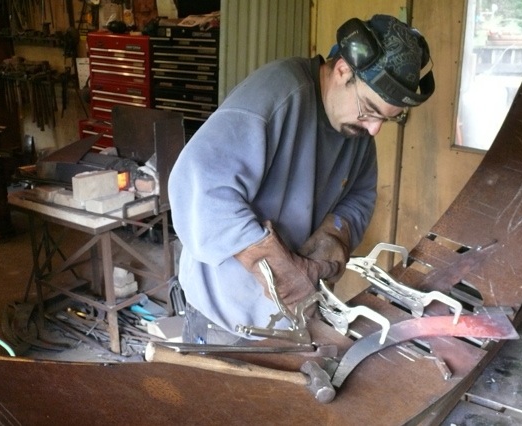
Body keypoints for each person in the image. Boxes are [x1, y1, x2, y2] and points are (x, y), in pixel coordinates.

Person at [168, 14, 435, 345]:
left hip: (294, 320)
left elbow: (359, 196)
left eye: (386, 118)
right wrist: (278, 267)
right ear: (343, 70)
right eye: (369, 109)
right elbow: (200, 188)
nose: (374, 128)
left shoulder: (357, 126)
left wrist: (332, 239)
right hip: (224, 318)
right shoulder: (277, 95)